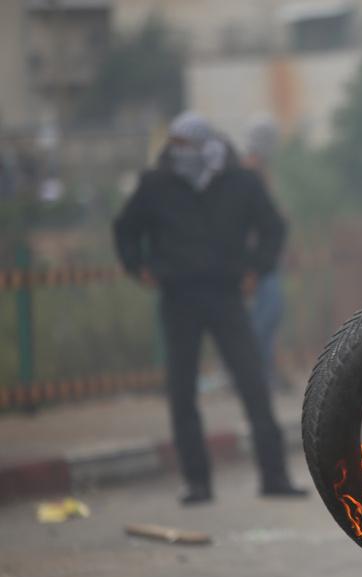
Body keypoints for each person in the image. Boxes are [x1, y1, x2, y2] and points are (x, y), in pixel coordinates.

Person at [113, 111, 307, 505]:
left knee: (253, 383)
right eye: (173, 144)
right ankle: (196, 482)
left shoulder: (240, 182)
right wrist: (137, 267)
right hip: (178, 297)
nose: (176, 151)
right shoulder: (156, 184)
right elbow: (125, 228)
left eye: (184, 144)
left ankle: (274, 476)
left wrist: (257, 269)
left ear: (205, 145)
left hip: (226, 295)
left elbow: (273, 227)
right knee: (182, 391)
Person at [243, 116, 287, 390]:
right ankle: (253, 372)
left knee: (268, 314)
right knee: (267, 312)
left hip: (264, 257)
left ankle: (263, 371)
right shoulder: (250, 173)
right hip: (255, 259)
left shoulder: (262, 172)